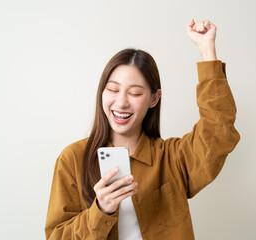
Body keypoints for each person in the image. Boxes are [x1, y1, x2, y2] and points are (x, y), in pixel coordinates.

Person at [45, 19, 240, 240]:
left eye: (135, 93)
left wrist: (207, 50)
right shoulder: (72, 159)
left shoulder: (173, 158)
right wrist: (101, 211)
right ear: (102, 93)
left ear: (154, 99)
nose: (121, 103)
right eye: (112, 89)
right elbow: (57, 237)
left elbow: (219, 130)